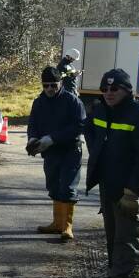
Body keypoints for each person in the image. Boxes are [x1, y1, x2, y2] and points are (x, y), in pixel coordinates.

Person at [84, 68, 139, 278]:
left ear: (127, 91)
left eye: (114, 89)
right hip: (108, 186)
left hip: (130, 190)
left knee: (127, 240)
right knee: (112, 236)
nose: (108, 93)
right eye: (104, 89)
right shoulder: (100, 110)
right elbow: (90, 132)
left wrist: (134, 191)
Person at [27, 66, 86, 241]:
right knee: (53, 185)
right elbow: (33, 123)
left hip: (70, 150)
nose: (50, 89)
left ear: (60, 83)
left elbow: (80, 125)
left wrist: (53, 138)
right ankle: (56, 223)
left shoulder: (72, 101)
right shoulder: (39, 102)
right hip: (50, 152)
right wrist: (32, 139)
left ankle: (67, 227)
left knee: (67, 187)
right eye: (46, 86)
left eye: (53, 85)